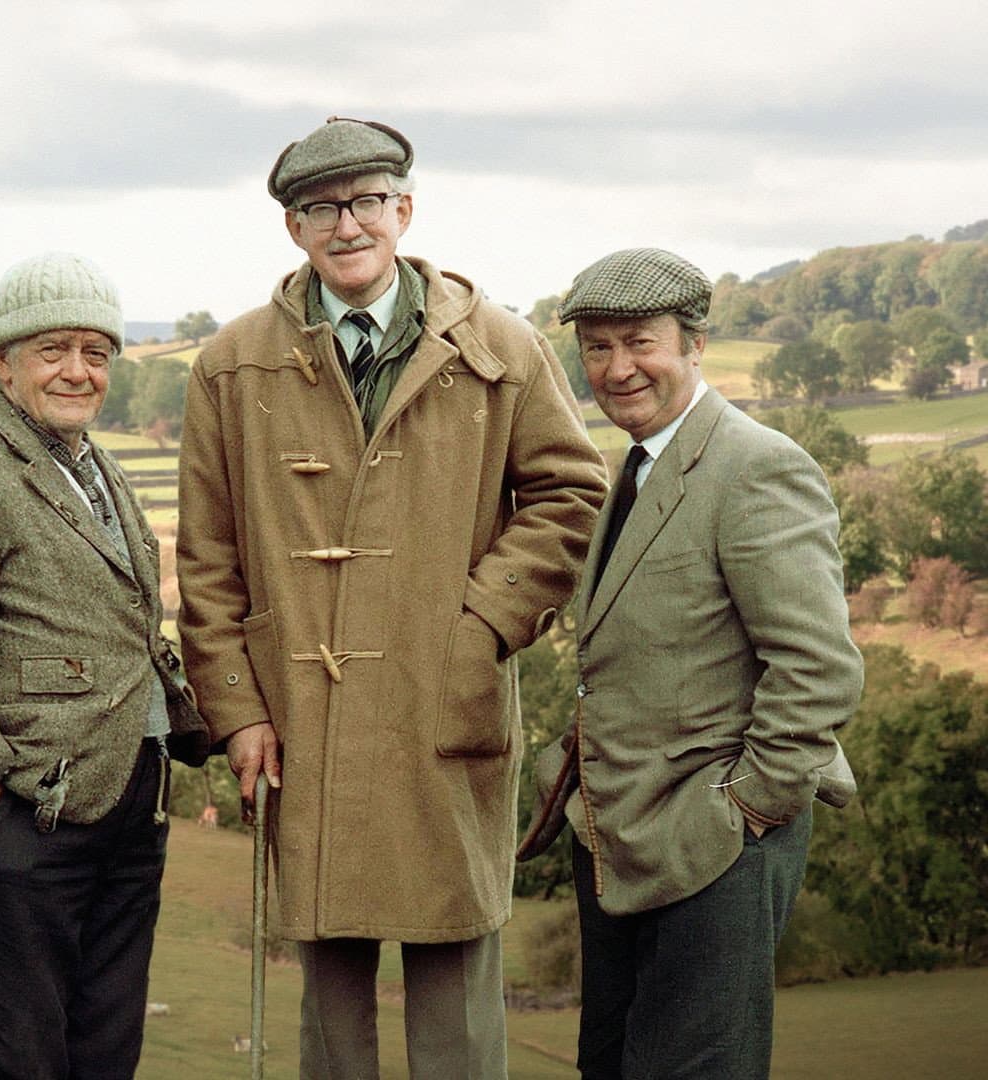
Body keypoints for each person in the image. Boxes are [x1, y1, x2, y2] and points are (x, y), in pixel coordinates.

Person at [176, 116, 607, 1077]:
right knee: (330, 991)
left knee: (455, 973)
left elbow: (571, 493)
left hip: (442, 704)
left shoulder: (502, 346)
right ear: (294, 229)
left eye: (366, 202)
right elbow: (206, 563)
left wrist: (480, 626)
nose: (346, 226)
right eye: (319, 209)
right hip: (301, 717)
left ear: (404, 211)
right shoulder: (231, 365)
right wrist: (238, 713)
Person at [518, 247, 864, 1079]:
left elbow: (818, 668)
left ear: (695, 343)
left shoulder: (756, 466)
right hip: (619, 838)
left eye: (640, 341)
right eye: (597, 347)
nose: (617, 368)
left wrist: (746, 810)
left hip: (716, 843)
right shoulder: (638, 467)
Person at [0, 252, 208, 1080]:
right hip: (27, 815)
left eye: (96, 353)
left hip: (128, 806)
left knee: (105, 1049)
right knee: (25, 1055)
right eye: (52, 349)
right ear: (4, 365)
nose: (77, 370)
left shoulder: (100, 467)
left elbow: (127, 632)